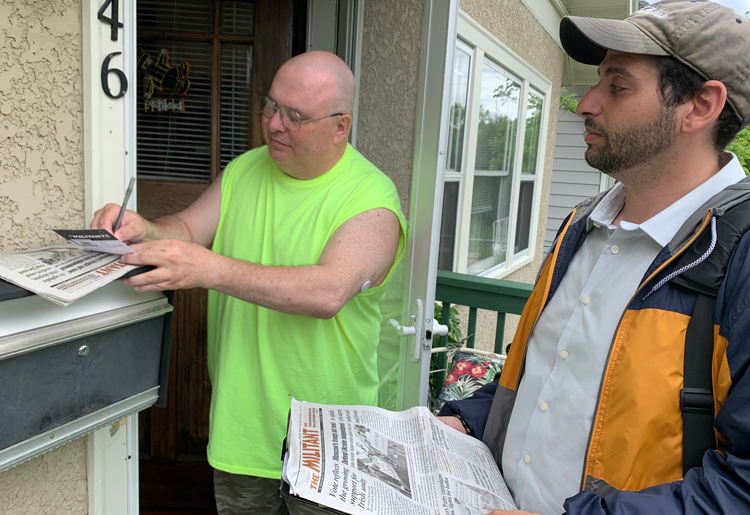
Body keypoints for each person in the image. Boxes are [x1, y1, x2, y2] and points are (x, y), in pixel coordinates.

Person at [438, 1, 750, 514]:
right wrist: (468, 419)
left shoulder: (739, 257)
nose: (585, 102)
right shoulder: (582, 227)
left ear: (699, 106)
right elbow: (543, 379)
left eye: (617, 85)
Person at [92, 50, 406, 514]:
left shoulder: (372, 199)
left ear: (340, 126)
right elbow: (187, 228)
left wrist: (210, 268)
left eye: (295, 115)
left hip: (332, 451)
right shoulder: (244, 170)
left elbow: (328, 291)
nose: (275, 124)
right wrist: (144, 228)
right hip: (244, 432)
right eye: (270, 105)